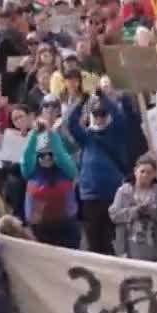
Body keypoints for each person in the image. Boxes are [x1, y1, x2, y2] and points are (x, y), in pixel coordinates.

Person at [66, 90, 129, 255]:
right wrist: (82, 102)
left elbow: (120, 116)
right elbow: (71, 123)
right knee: (93, 244)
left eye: (103, 114)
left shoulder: (116, 133)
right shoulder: (87, 137)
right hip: (90, 197)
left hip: (112, 197)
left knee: (111, 243)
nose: (100, 118)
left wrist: (104, 98)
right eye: (96, 114)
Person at [109, 155, 157, 262]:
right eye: (142, 171)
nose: (145, 175)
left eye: (149, 172)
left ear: (154, 174)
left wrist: (153, 211)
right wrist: (135, 211)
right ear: (135, 171)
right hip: (130, 247)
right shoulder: (124, 191)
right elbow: (114, 215)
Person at [19, 127, 80, 249]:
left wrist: (53, 135)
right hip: (39, 228)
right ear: (36, 156)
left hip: (66, 227)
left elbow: (61, 154)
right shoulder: (30, 172)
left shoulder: (67, 170)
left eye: (50, 154)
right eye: (42, 155)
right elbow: (26, 156)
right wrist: (34, 135)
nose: (47, 158)